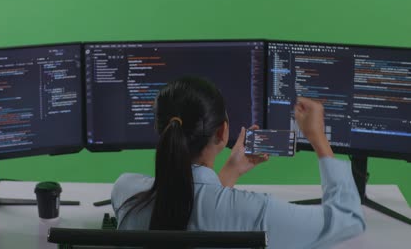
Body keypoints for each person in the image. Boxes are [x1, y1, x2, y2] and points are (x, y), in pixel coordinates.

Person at [111, 76, 365, 249]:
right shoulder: (255, 213)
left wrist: (230, 173)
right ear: (223, 133)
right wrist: (318, 138)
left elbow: (184, 209)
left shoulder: (125, 191)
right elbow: (348, 221)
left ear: (161, 130)